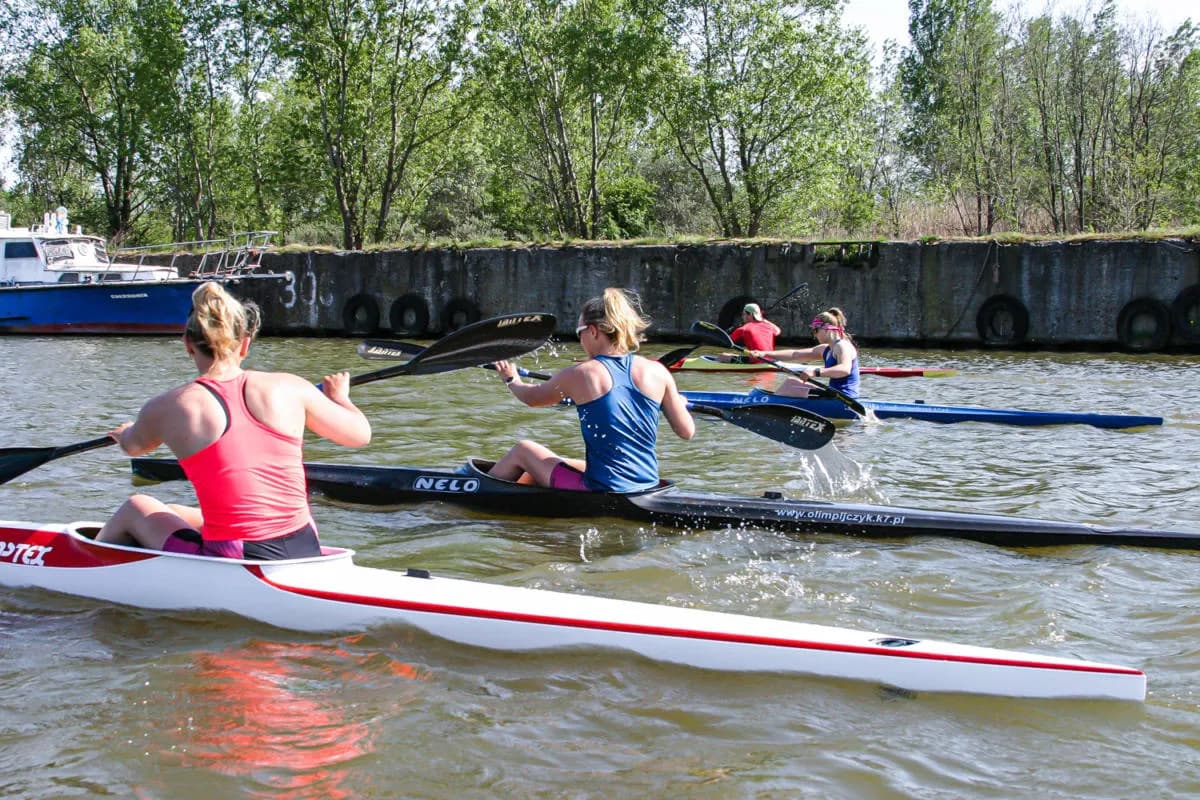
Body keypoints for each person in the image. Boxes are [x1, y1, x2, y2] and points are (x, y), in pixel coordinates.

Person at [96, 281, 372, 559]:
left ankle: (86, 565)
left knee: (137, 505)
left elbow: (133, 447)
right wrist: (340, 397)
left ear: (188, 344)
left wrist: (125, 432)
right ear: (245, 345)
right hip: (304, 541)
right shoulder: (290, 386)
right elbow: (360, 435)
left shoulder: (167, 407)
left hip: (240, 555)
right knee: (173, 512)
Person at [488, 287, 695, 491]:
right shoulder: (657, 371)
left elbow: (531, 398)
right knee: (569, 462)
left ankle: (473, 491)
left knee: (523, 450)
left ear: (593, 331)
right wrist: (676, 403)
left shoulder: (582, 373)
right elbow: (687, 431)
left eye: (580, 333)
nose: (580, 340)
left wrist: (511, 380)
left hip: (602, 489)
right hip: (646, 485)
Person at [750, 307, 860, 399]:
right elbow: (795, 354)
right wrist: (764, 354)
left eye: (815, 330)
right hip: (833, 395)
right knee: (792, 384)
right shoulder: (825, 349)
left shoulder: (842, 346)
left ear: (827, 329)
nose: (814, 335)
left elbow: (844, 369)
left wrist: (815, 372)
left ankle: (770, 407)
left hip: (845, 398)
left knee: (791, 384)